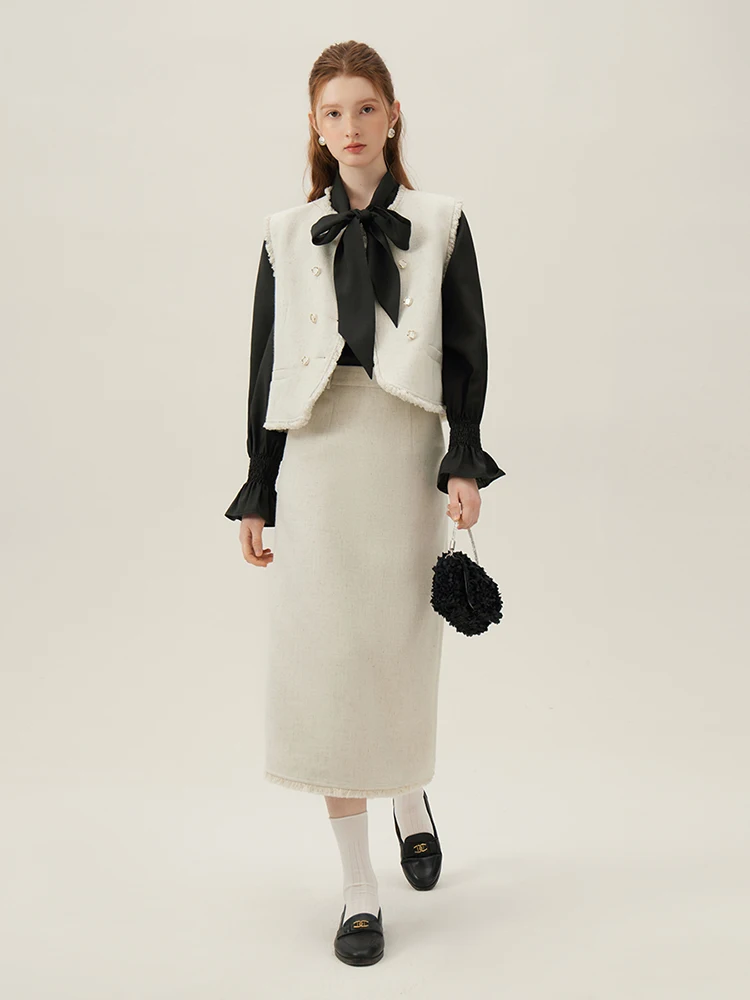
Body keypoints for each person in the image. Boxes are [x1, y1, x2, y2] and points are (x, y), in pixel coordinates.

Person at [224, 41, 505, 966]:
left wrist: (463, 459)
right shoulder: (284, 232)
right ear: (315, 125)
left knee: (393, 648)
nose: (350, 127)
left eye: (365, 109)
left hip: (401, 447)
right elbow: (266, 365)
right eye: (333, 113)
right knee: (328, 665)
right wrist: (259, 487)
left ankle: (408, 795)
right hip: (315, 453)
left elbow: (466, 348)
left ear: (393, 115)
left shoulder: (442, 222)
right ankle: (358, 888)